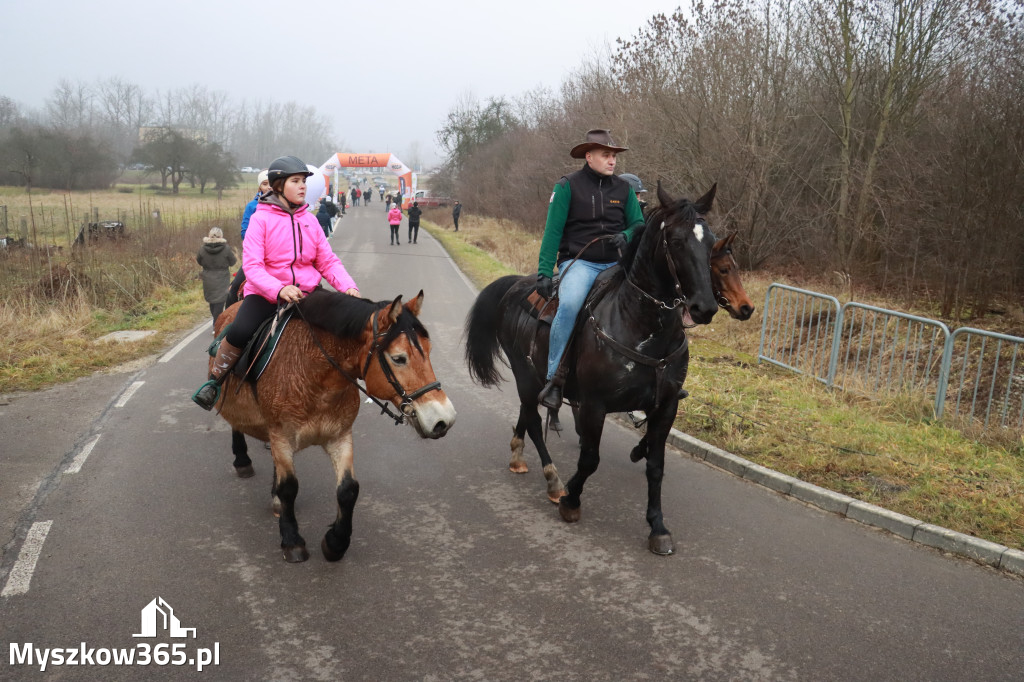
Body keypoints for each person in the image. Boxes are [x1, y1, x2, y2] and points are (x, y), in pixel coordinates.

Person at [192, 155, 360, 410]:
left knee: (345, 327)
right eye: (296, 180)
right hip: (266, 294)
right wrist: (279, 288)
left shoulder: (310, 221)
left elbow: (328, 261)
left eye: (304, 180)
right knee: (239, 330)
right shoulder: (261, 220)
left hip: (308, 293)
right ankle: (216, 380)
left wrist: (348, 286)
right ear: (279, 185)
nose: (303, 185)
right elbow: (252, 267)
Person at [535, 129, 645, 410]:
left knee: (648, 302)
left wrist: (628, 236)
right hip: (580, 262)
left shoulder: (623, 189)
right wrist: (545, 272)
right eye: (606, 155)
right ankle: (554, 379)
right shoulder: (567, 186)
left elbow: (638, 223)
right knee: (569, 305)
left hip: (617, 263)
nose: (612, 161)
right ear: (589, 156)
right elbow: (552, 232)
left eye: (614, 156)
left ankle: (652, 377)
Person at [196, 226, 237, 328]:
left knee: (212, 301)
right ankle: (216, 323)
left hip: (208, 278)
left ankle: (216, 322)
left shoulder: (202, 249)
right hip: (222, 278)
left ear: (209, 235)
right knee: (220, 301)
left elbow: (199, 261)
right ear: (221, 236)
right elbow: (233, 262)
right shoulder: (226, 249)